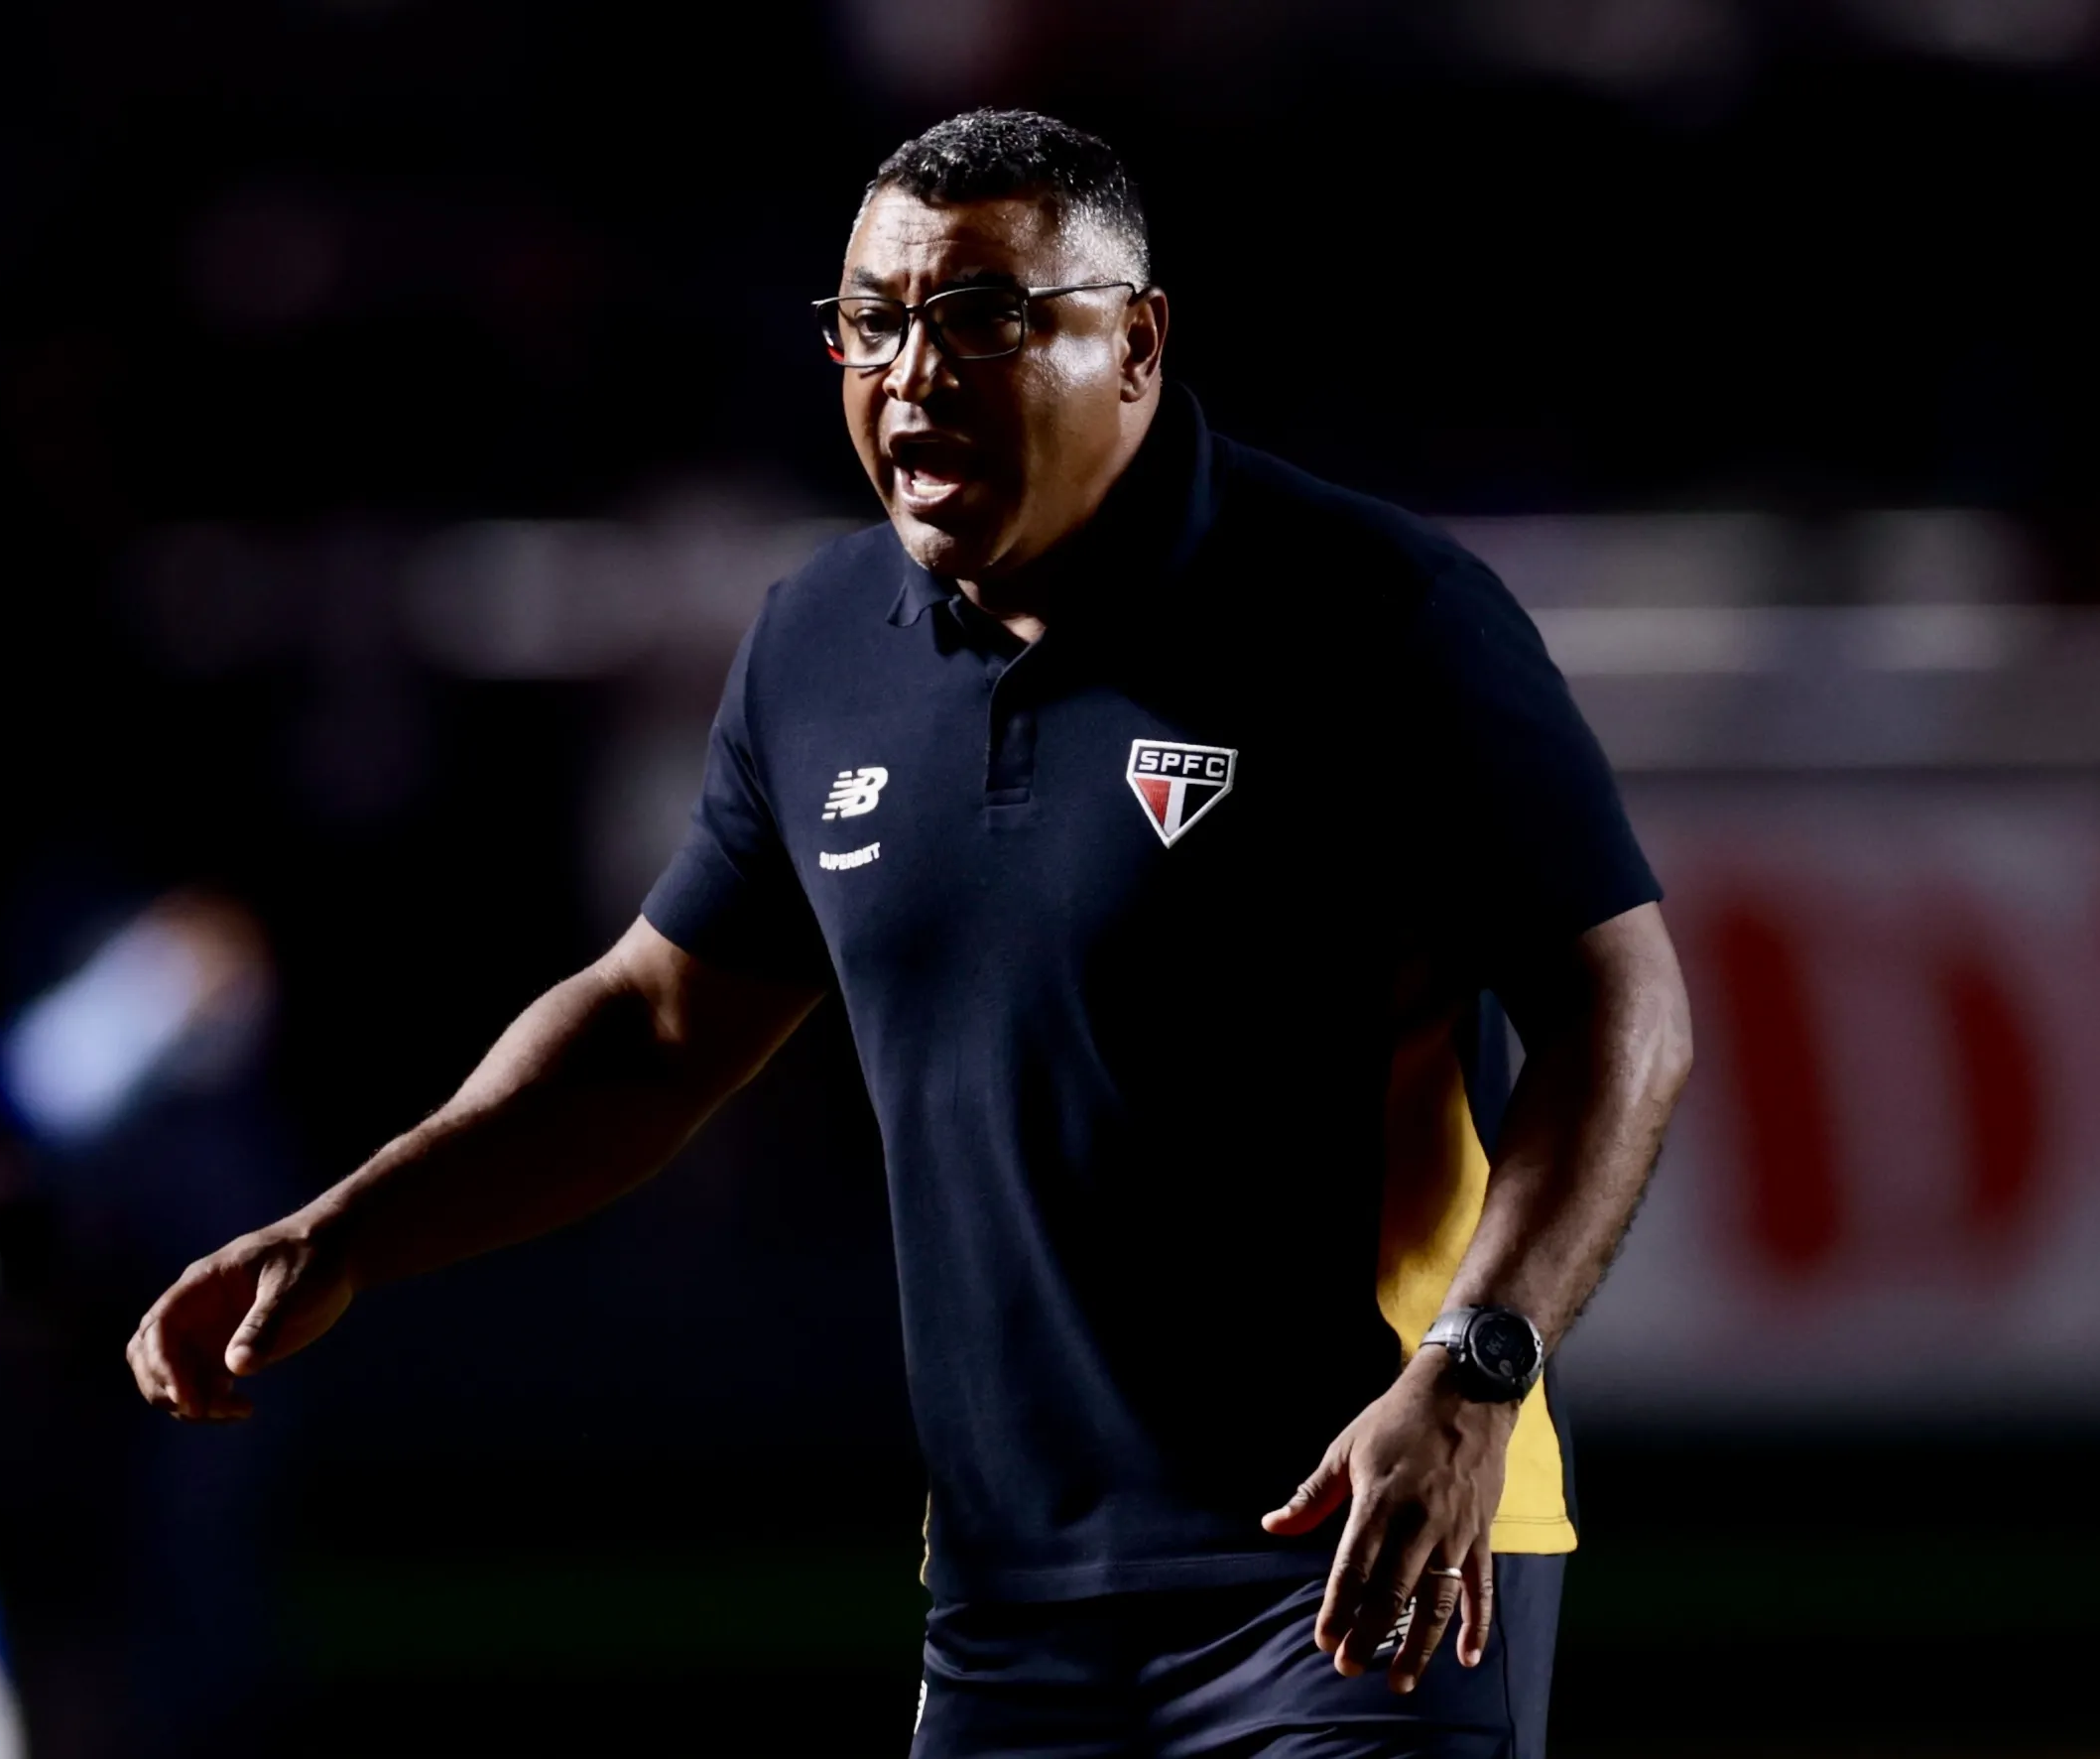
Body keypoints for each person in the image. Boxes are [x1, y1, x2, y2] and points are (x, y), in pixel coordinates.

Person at [128, 109, 1692, 1758]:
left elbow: (1621, 1009)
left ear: (1136, 342)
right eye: (868, 322)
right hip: (1012, 1610)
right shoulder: (818, 647)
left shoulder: (1372, 615)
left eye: (982, 318)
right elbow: (658, 1030)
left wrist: (1474, 1370)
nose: (910, 372)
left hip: (1364, 1554)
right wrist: (357, 1226)